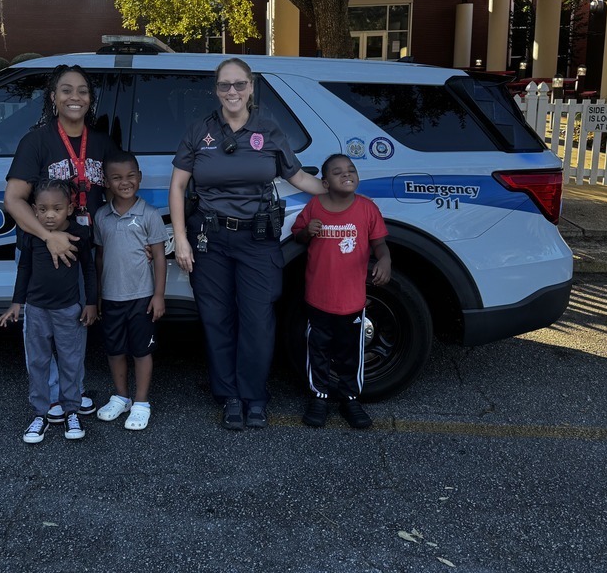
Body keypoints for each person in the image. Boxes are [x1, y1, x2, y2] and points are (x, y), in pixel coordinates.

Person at [170, 57, 327, 430]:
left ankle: (255, 396)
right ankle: (230, 398)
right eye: (225, 85)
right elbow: (178, 186)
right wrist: (180, 238)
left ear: (251, 87)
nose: (232, 92)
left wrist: (343, 197)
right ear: (216, 90)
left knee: (257, 320)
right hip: (210, 239)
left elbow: (299, 177)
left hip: (257, 241)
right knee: (217, 320)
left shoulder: (269, 131)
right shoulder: (199, 131)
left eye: (239, 84)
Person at [3, 64, 118, 421]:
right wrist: (48, 236)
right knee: (44, 329)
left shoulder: (102, 142)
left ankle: (73, 392)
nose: (75, 97)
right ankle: (51, 396)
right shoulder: (36, 141)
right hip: (45, 252)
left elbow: (123, 191)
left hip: (89, 249)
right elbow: (14, 199)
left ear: (90, 99)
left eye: (83, 90)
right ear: (53, 98)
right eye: (66, 90)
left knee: (77, 326)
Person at [291, 154, 391, 429]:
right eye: (337, 172)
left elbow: (380, 244)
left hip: (352, 300)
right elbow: (298, 234)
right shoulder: (315, 206)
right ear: (325, 182)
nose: (346, 175)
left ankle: (350, 398)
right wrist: (307, 231)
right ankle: (319, 397)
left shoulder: (366, 208)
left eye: (351, 170)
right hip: (319, 298)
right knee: (318, 350)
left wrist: (385, 260)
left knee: (350, 353)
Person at [0, 178, 98, 443]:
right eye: (42, 209)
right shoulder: (32, 234)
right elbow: (24, 269)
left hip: (69, 311)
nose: (49, 215)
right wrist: (17, 302)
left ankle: (71, 410)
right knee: (38, 362)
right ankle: (40, 414)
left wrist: (90, 303)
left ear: (70, 207)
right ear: (34, 209)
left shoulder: (80, 234)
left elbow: (89, 270)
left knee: (71, 361)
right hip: (37, 310)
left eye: (56, 208)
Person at [93, 151, 168, 431]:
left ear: (139, 177)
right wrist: (98, 295)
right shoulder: (102, 216)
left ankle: (141, 402)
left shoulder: (149, 215)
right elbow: (100, 257)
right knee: (114, 350)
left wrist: (158, 295)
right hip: (111, 298)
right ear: (106, 182)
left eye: (130, 176)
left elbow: (159, 257)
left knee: (141, 350)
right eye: (116, 178)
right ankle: (121, 396)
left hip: (142, 298)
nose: (125, 182)